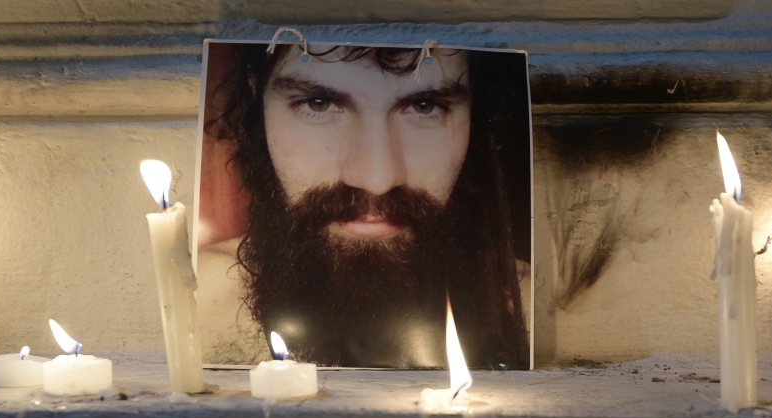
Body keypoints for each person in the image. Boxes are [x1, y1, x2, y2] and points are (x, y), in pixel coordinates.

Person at [198, 43, 531, 369]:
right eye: (319, 103)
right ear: (257, 92)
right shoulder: (191, 304)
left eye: (425, 105)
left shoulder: (545, 317)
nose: (377, 178)